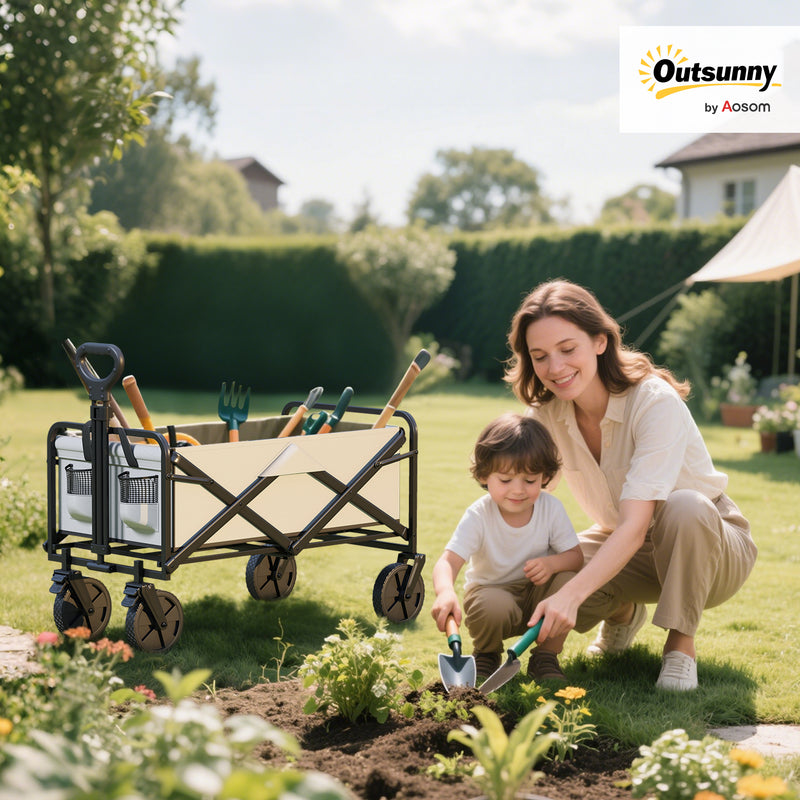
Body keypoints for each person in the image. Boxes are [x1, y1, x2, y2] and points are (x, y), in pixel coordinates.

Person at [504, 279, 758, 691]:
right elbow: (518, 500)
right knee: (542, 570)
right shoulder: (546, 414)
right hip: (629, 548)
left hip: (710, 548)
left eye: (568, 349)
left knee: (685, 506)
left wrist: (571, 596)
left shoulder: (653, 401)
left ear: (600, 342)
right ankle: (622, 613)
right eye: (540, 356)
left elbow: (636, 525)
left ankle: (680, 647)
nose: (555, 368)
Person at [430, 412, 584, 683]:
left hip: (537, 597)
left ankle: (545, 657)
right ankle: (487, 655)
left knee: (567, 582)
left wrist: (551, 565)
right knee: (493, 605)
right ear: (484, 475)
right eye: (505, 480)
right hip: (492, 596)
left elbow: (575, 558)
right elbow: (448, 562)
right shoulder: (480, 515)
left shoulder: (550, 509)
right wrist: (445, 593)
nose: (518, 490)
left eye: (529, 480)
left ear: (545, 477)